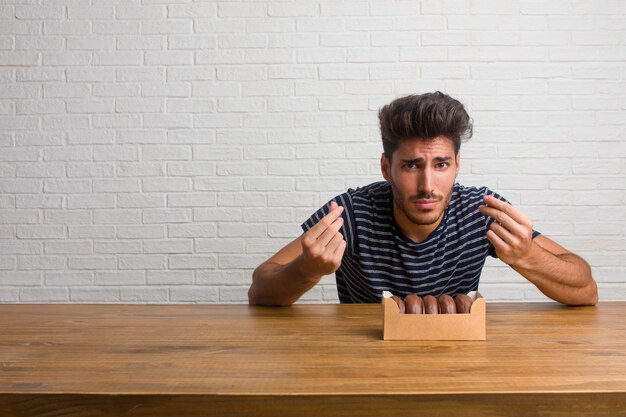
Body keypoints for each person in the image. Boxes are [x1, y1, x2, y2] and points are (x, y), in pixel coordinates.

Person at [248, 92, 598, 307]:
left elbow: (586, 290)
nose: (427, 184)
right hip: (365, 364)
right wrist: (307, 269)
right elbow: (261, 288)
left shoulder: (480, 212)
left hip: (457, 362)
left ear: (457, 165)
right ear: (387, 167)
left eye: (441, 164)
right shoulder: (351, 213)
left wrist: (528, 256)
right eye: (412, 165)